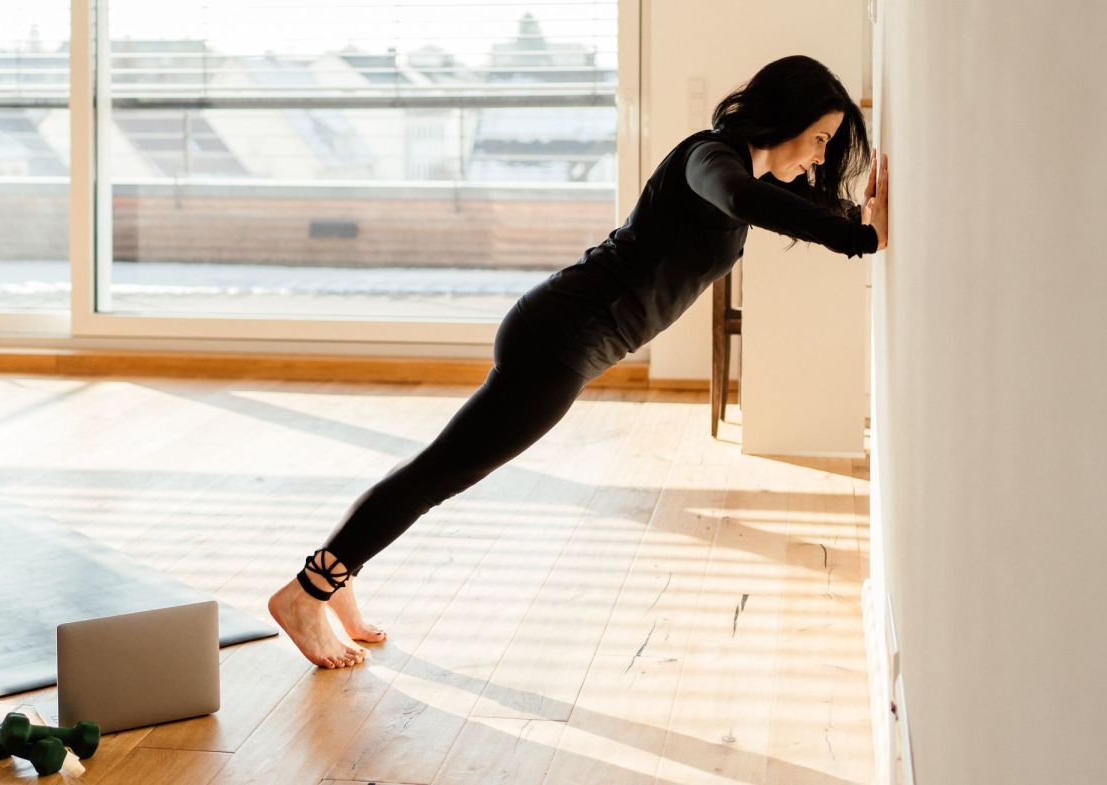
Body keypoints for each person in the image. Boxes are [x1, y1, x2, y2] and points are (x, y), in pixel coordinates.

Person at [268, 54, 890, 668]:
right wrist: (859, 238)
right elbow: (739, 198)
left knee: (439, 465)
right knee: (441, 473)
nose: (818, 156)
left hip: (561, 334)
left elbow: (767, 201)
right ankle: (307, 594)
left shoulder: (738, 171)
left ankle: (338, 568)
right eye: (819, 138)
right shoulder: (712, 160)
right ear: (784, 117)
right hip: (558, 341)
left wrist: (857, 217)